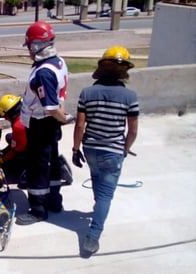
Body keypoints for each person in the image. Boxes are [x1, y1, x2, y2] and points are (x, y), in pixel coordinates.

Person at [72, 45, 139, 255]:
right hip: (113, 152)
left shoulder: (87, 92)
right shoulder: (130, 96)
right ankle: (93, 236)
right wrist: (125, 149)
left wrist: (75, 149)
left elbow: (80, 126)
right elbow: (133, 131)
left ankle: (97, 209)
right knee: (106, 195)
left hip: (90, 148)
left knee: (96, 180)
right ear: (124, 70)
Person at [16, 21, 69, 225]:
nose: (29, 50)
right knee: (52, 163)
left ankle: (38, 209)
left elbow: (51, 106)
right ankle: (54, 201)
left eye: (30, 46)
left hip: (41, 124)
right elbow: (60, 97)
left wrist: (63, 119)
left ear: (37, 46)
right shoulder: (59, 63)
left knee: (38, 166)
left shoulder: (43, 73)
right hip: (50, 124)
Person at [0, 94, 27, 182]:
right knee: (9, 137)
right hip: (37, 141)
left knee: (9, 167)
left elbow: (15, 150)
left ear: (9, 113)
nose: (4, 118)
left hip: (34, 150)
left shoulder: (19, 126)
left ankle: (27, 169)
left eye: (4, 115)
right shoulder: (24, 113)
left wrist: (3, 159)